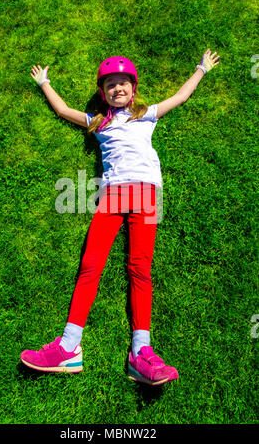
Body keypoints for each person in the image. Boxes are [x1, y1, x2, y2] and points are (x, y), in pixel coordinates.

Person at [20, 51, 220, 385]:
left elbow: (181, 96)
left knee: (140, 268)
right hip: (112, 195)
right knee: (91, 264)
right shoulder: (99, 122)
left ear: (133, 87)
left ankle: (141, 353)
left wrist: (201, 68)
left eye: (123, 83)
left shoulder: (147, 115)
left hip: (147, 195)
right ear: (103, 93)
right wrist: (44, 83)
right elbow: (62, 110)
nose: (117, 89)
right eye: (110, 85)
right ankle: (69, 346)